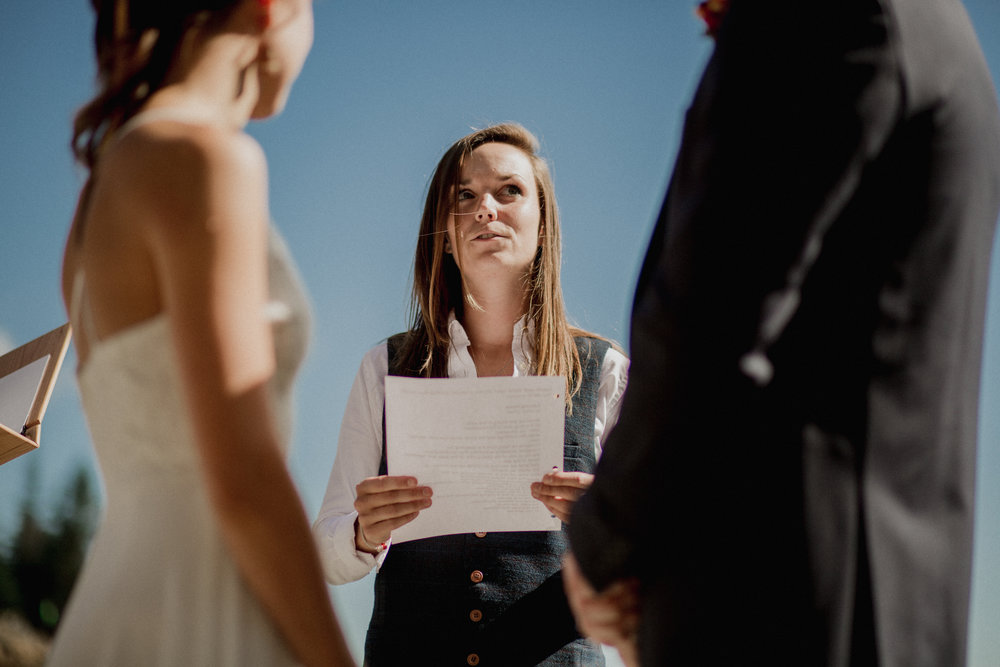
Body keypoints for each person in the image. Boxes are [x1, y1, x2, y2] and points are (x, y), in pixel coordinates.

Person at [566, 0, 1000, 665]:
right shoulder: (938, 28)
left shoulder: (818, 14)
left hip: (777, 607)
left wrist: (604, 543)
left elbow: (709, 317)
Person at [50, 1, 353, 665]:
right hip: (214, 605)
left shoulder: (95, 202)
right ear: (272, 8)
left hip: (118, 597)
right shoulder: (207, 158)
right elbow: (245, 478)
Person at [312, 123, 629, 666]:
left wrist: (604, 524)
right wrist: (364, 532)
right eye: (465, 195)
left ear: (542, 220)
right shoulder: (385, 368)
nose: (486, 208)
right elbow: (328, 554)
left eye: (510, 190)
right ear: (443, 226)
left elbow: (657, 554)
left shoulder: (604, 372)